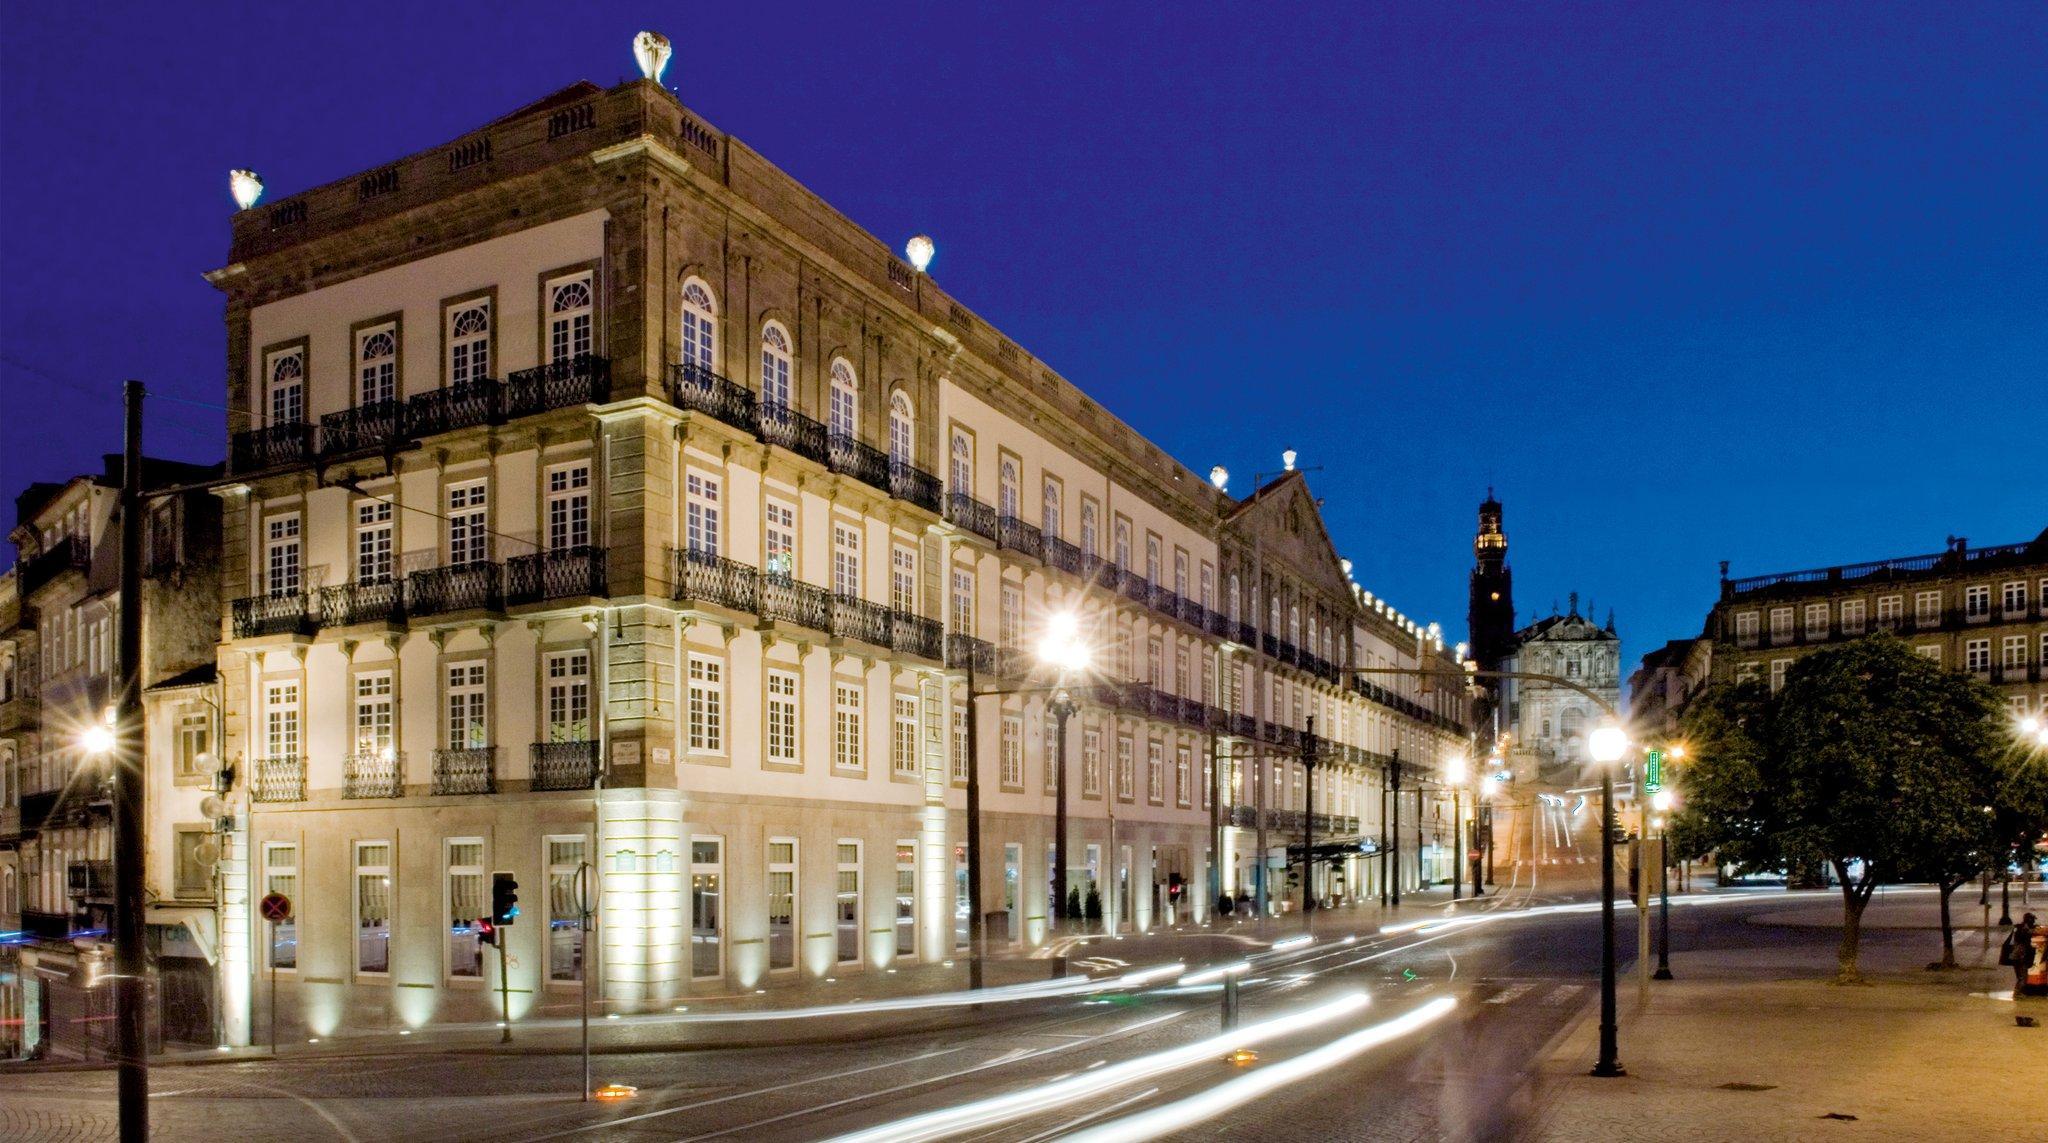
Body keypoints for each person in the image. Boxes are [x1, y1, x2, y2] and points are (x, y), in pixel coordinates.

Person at [2005, 912, 2038, 997]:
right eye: (2033, 920)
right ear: (2029, 920)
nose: (2034, 922)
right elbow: (2030, 932)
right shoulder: (2025, 929)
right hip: (2020, 956)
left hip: (2016, 955)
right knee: (2023, 976)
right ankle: (2017, 992)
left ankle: (2018, 991)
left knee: (2020, 976)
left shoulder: (2019, 927)